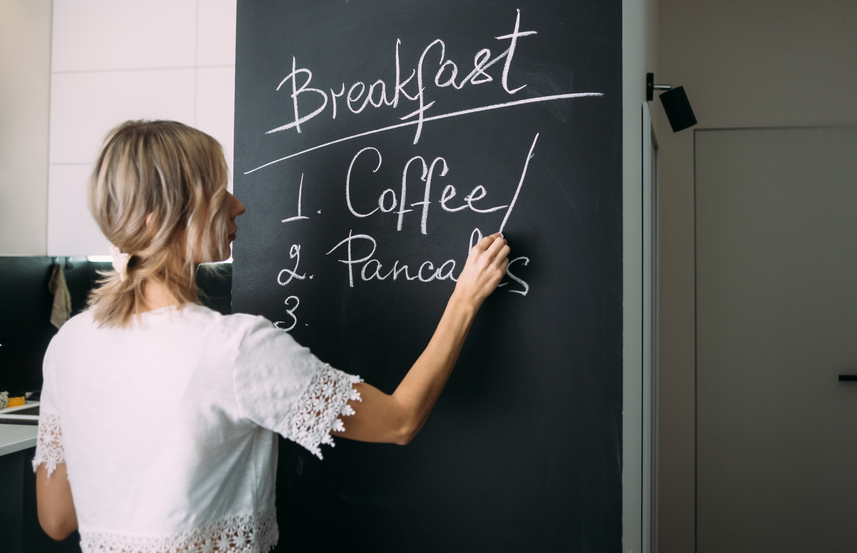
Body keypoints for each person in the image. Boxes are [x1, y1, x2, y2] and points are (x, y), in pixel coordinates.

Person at [33, 120, 509, 552]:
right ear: (162, 218)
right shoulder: (235, 350)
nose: (238, 204)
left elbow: (56, 519)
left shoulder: (69, 345)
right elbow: (400, 421)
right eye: (217, 190)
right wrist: (464, 299)